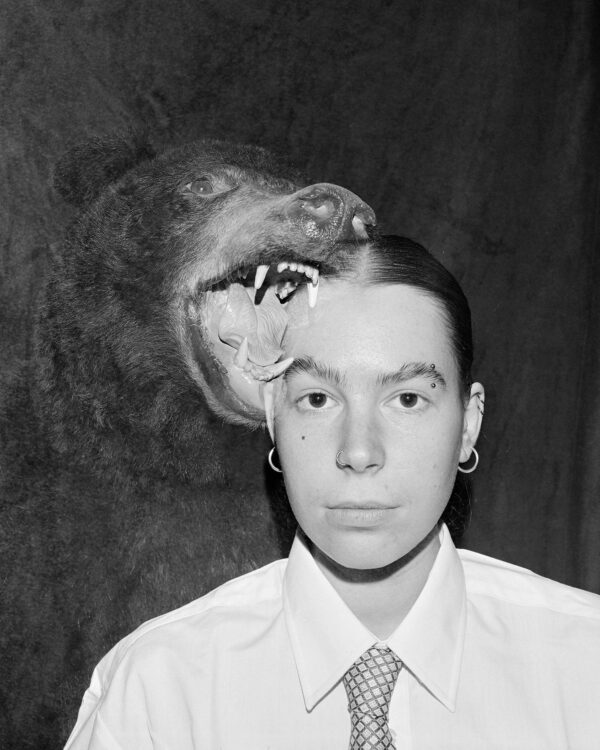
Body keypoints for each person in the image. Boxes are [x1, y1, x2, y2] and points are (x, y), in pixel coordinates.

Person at [65, 236, 600, 749]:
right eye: (318, 399)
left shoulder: (584, 664)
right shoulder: (159, 690)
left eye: (407, 399)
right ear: (274, 417)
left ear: (468, 424)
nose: (359, 451)